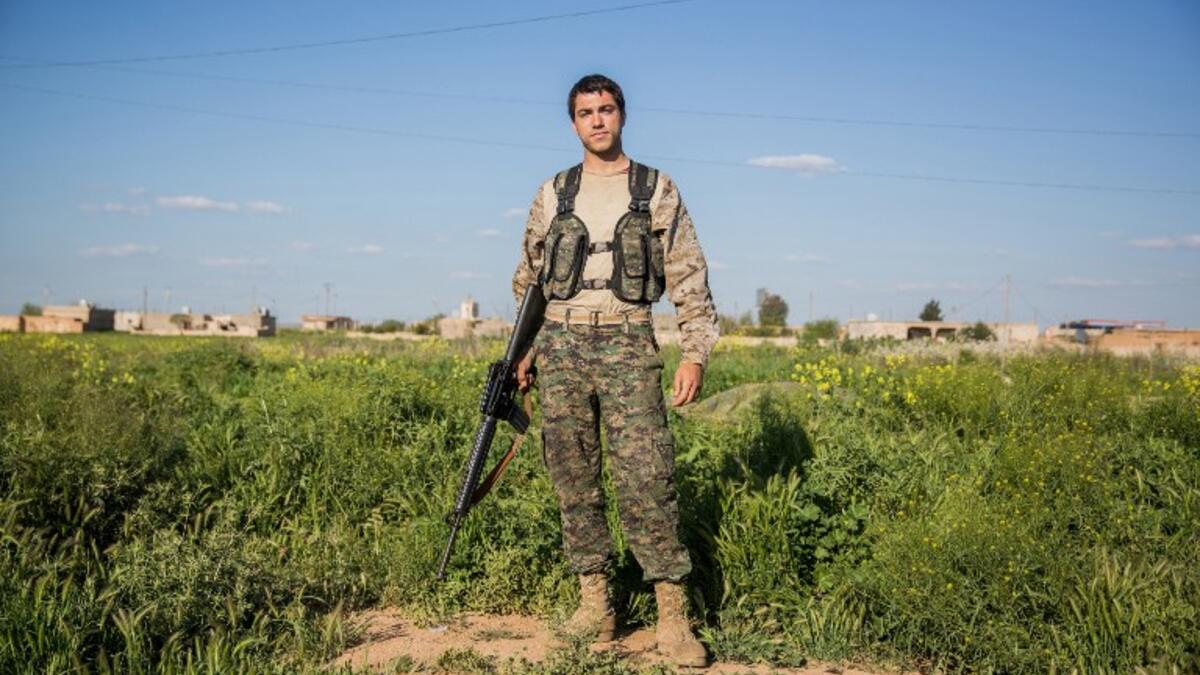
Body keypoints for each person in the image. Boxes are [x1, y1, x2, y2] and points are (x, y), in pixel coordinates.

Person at [510, 73, 719, 667]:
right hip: (561, 344)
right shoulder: (554, 193)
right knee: (573, 475)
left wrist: (695, 353)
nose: (597, 120)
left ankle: (672, 618)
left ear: (622, 115)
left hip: (628, 341)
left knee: (647, 476)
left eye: (606, 109)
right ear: (573, 123)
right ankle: (595, 605)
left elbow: (688, 273)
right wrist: (523, 351)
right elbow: (529, 279)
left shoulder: (656, 188)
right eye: (586, 113)